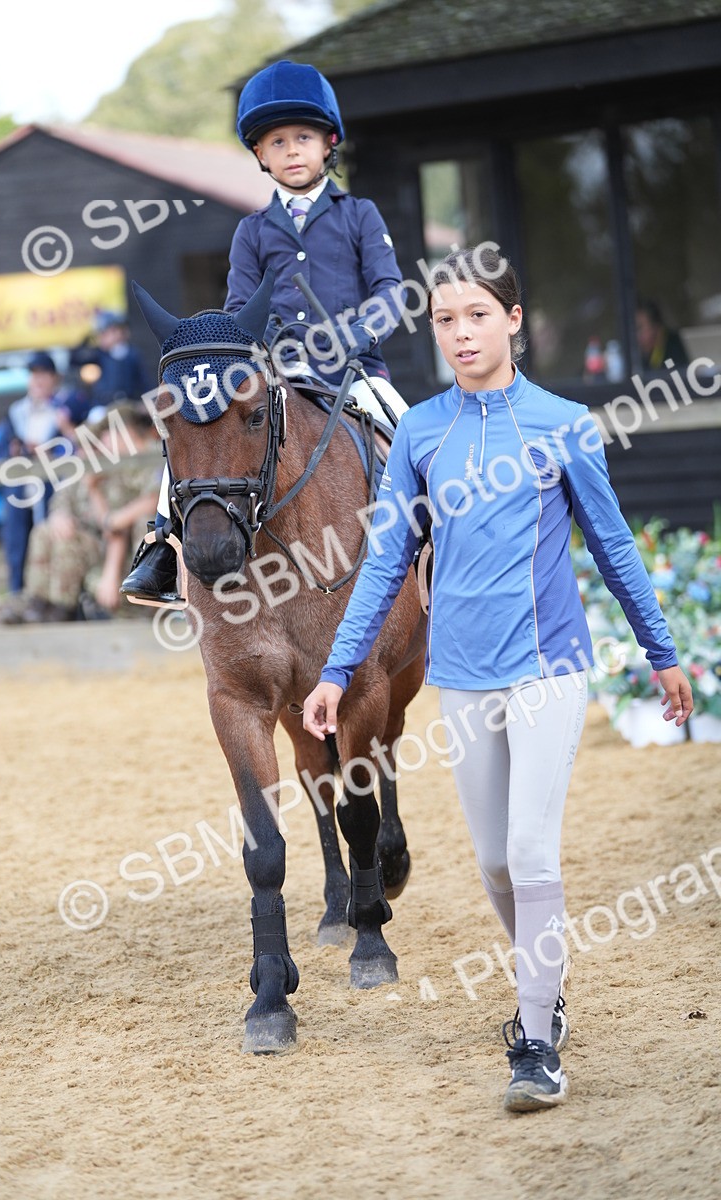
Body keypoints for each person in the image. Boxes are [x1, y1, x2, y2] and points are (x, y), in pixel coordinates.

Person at [302, 247, 693, 1114]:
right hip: (463, 676)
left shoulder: (564, 424)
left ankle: (537, 1042)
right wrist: (336, 671)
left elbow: (614, 547)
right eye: (445, 319)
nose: (461, 332)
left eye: (477, 314)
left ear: (513, 319)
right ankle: (545, 984)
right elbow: (385, 563)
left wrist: (661, 653)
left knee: (528, 850)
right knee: (491, 860)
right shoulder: (420, 432)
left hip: (548, 668)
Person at [121, 59, 407, 606]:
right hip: (280, 372)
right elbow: (238, 310)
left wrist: (360, 331)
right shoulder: (250, 231)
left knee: (409, 432)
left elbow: (391, 291)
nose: (292, 151)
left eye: (304, 138)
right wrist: (259, 337)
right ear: (260, 154)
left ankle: (440, 542)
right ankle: (161, 547)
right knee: (194, 426)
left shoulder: (360, 214)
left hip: (354, 371)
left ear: (329, 143)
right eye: (278, 142)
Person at [14, 404, 160, 623]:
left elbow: (121, 520)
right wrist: (60, 515)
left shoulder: (143, 459)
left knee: (68, 545)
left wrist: (109, 514)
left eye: (101, 439)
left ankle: (61, 610)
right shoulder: (96, 468)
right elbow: (62, 501)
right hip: (107, 541)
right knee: (43, 532)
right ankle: (39, 604)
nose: (88, 450)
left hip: (115, 547)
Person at [0, 351, 84, 604]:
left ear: (54, 378)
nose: (38, 380)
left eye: (43, 374)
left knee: (52, 537)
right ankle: (18, 595)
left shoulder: (70, 405)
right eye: (34, 375)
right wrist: (18, 450)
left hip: (57, 486)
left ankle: (52, 599)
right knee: (17, 540)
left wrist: (56, 442)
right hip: (23, 487)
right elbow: (2, 450)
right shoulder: (17, 411)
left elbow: (85, 447)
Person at [635, 299, 689, 370]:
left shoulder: (675, 351)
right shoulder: (634, 357)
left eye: (639, 328)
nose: (634, 334)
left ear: (656, 328)